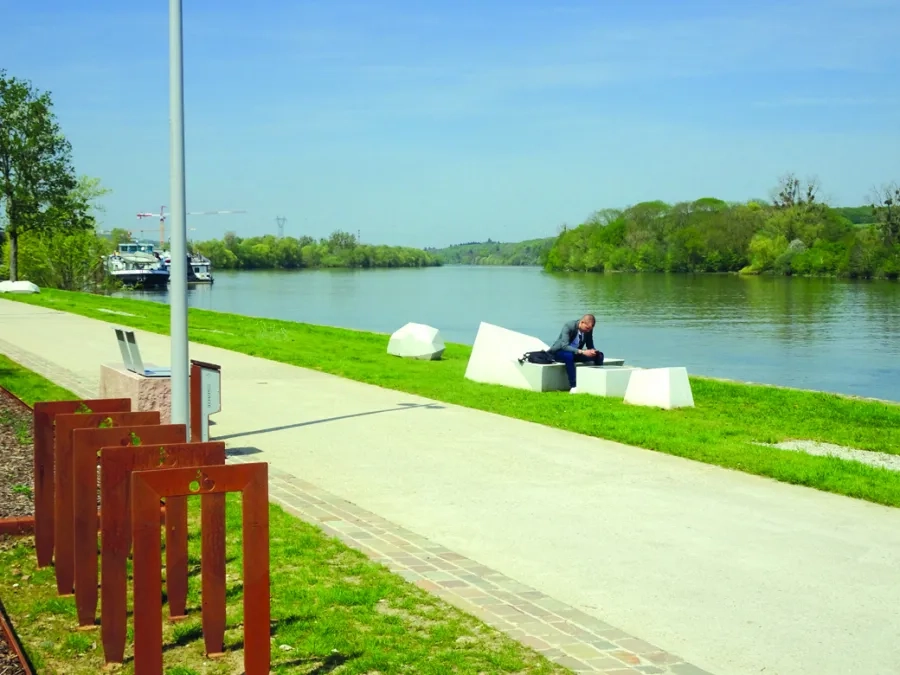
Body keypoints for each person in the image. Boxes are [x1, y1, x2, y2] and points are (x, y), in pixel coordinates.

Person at [548, 314, 604, 392]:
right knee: (569, 356)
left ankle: (599, 382)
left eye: (590, 329)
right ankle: (573, 386)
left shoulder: (588, 330)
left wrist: (592, 351)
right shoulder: (569, 326)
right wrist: (582, 352)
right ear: (582, 322)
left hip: (576, 352)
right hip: (559, 352)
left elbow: (590, 344)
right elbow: (564, 346)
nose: (588, 331)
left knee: (599, 355)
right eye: (587, 328)